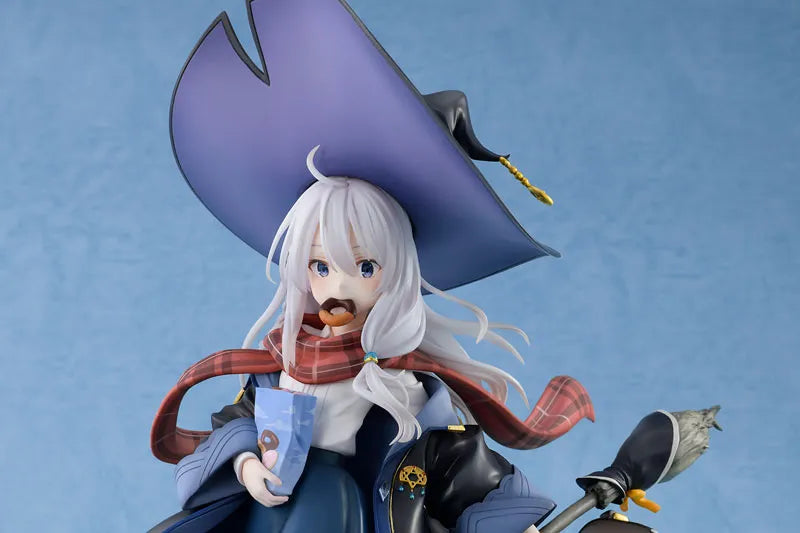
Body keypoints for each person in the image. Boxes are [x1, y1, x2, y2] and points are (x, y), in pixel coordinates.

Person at [149, 1, 594, 531]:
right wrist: (245, 464)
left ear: (396, 272)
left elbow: (458, 467)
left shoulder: (401, 377)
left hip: (345, 505)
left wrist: (513, 522)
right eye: (320, 266)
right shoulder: (282, 358)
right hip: (267, 506)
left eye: (363, 268)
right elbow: (239, 420)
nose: (336, 287)